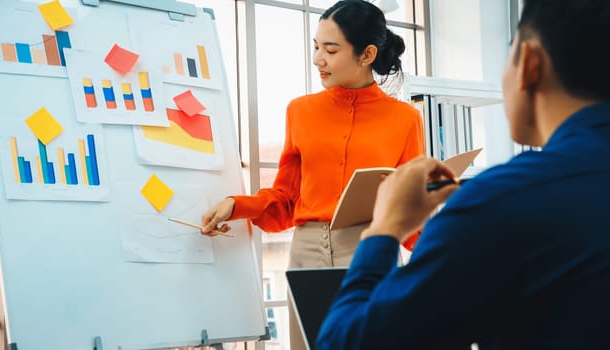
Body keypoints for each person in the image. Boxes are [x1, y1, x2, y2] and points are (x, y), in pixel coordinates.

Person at [317, 0, 610, 349]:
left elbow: (346, 343)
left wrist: (384, 229)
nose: (319, 58)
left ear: (529, 63)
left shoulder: (502, 201)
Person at [200, 0, 424, 348]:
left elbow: (412, 209)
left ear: (366, 54)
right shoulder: (300, 112)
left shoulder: (405, 119)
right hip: (306, 254)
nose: (318, 59)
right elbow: (286, 198)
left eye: (330, 50)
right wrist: (235, 205)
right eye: (316, 47)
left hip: (371, 251)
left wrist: (449, 250)